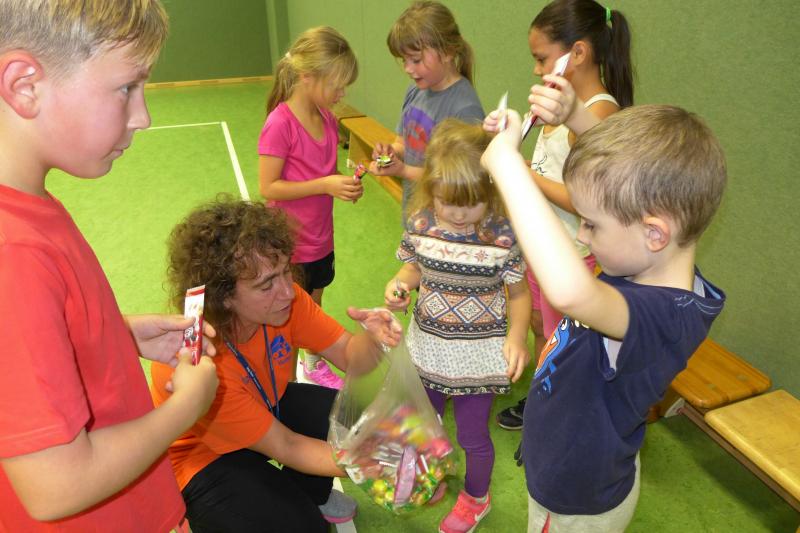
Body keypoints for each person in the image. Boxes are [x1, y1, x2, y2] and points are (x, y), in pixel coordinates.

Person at [0, 1, 219, 531]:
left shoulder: (27, 204)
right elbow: (56, 486)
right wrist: (185, 408)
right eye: (127, 87)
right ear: (25, 85)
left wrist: (115, 334)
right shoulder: (13, 252)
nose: (143, 116)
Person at [482, 97, 727, 531]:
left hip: (576, 500)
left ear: (654, 234)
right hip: (569, 463)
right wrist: (575, 115)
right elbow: (627, 181)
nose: (582, 233)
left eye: (592, 224)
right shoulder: (648, 268)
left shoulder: (665, 317)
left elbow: (569, 291)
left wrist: (508, 166)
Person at [150, 197, 403, 532]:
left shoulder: (286, 302)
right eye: (266, 284)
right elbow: (288, 445)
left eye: (285, 271)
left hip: (263, 405)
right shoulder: (197, 360)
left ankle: (306, 497)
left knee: (353, 417)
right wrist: (379, 463)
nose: (288, 292)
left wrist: (372, 339)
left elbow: (347, 353)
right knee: (305, 528)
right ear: (223, 297)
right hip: (203, 458)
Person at [493, 0, 634, 431]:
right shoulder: (557, 105)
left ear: (578, 53)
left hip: (572, 255)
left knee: (564, 341)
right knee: (541, 325)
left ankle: (560, 411)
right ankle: (544, 394)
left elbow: (585, 199)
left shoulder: (600, 113)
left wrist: (521, 173)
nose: (536, 69)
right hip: (544, 245)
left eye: (541, 59)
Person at [384, 119, 530, 533]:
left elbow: (520, 294)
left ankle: (476, 498)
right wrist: (398, 285)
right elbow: (413, 268)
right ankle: (432, 475)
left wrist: (517, 337)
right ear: (432, 189)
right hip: (428, 348)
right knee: (427, 425)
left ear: (490, 193)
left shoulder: (501, 237)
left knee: (472, 436)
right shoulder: (421, 225)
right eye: (448, 203)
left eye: (472, 203)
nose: (459, 215)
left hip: (477, 357)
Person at [258, 26, 361, 390]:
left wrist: (344, 183)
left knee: (313, 308)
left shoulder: (328, 119)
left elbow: (324, 173)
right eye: (337, 85)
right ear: (307, 77)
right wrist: (325, 184)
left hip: (320, 239)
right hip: (290, 244)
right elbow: (269, 186)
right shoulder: (280, 124)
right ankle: (282, 380)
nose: (342, 93)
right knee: (287, 315)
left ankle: (311, 364)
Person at [370, 0, 485, 219]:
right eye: (404, 60)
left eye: (416, 60)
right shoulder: (415, 91)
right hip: (416, 212)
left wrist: (403, 171)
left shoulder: (465, 110)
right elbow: (403, 144)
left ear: (447, 51)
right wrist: (391, 153)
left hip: (448, 222)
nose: (407, 68)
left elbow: (457, 180)